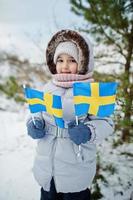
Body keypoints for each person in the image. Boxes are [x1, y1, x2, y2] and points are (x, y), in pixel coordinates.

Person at [26, 29, 114, 200]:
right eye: (60, 60)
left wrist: (89, 130)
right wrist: (34, 123)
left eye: (72, 60)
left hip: (76, 172)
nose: (64, 66)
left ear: (83, 62)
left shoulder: (90, 91)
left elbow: (106, 122)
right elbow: (37, 113)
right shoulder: (48, 88)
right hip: (47, 171)